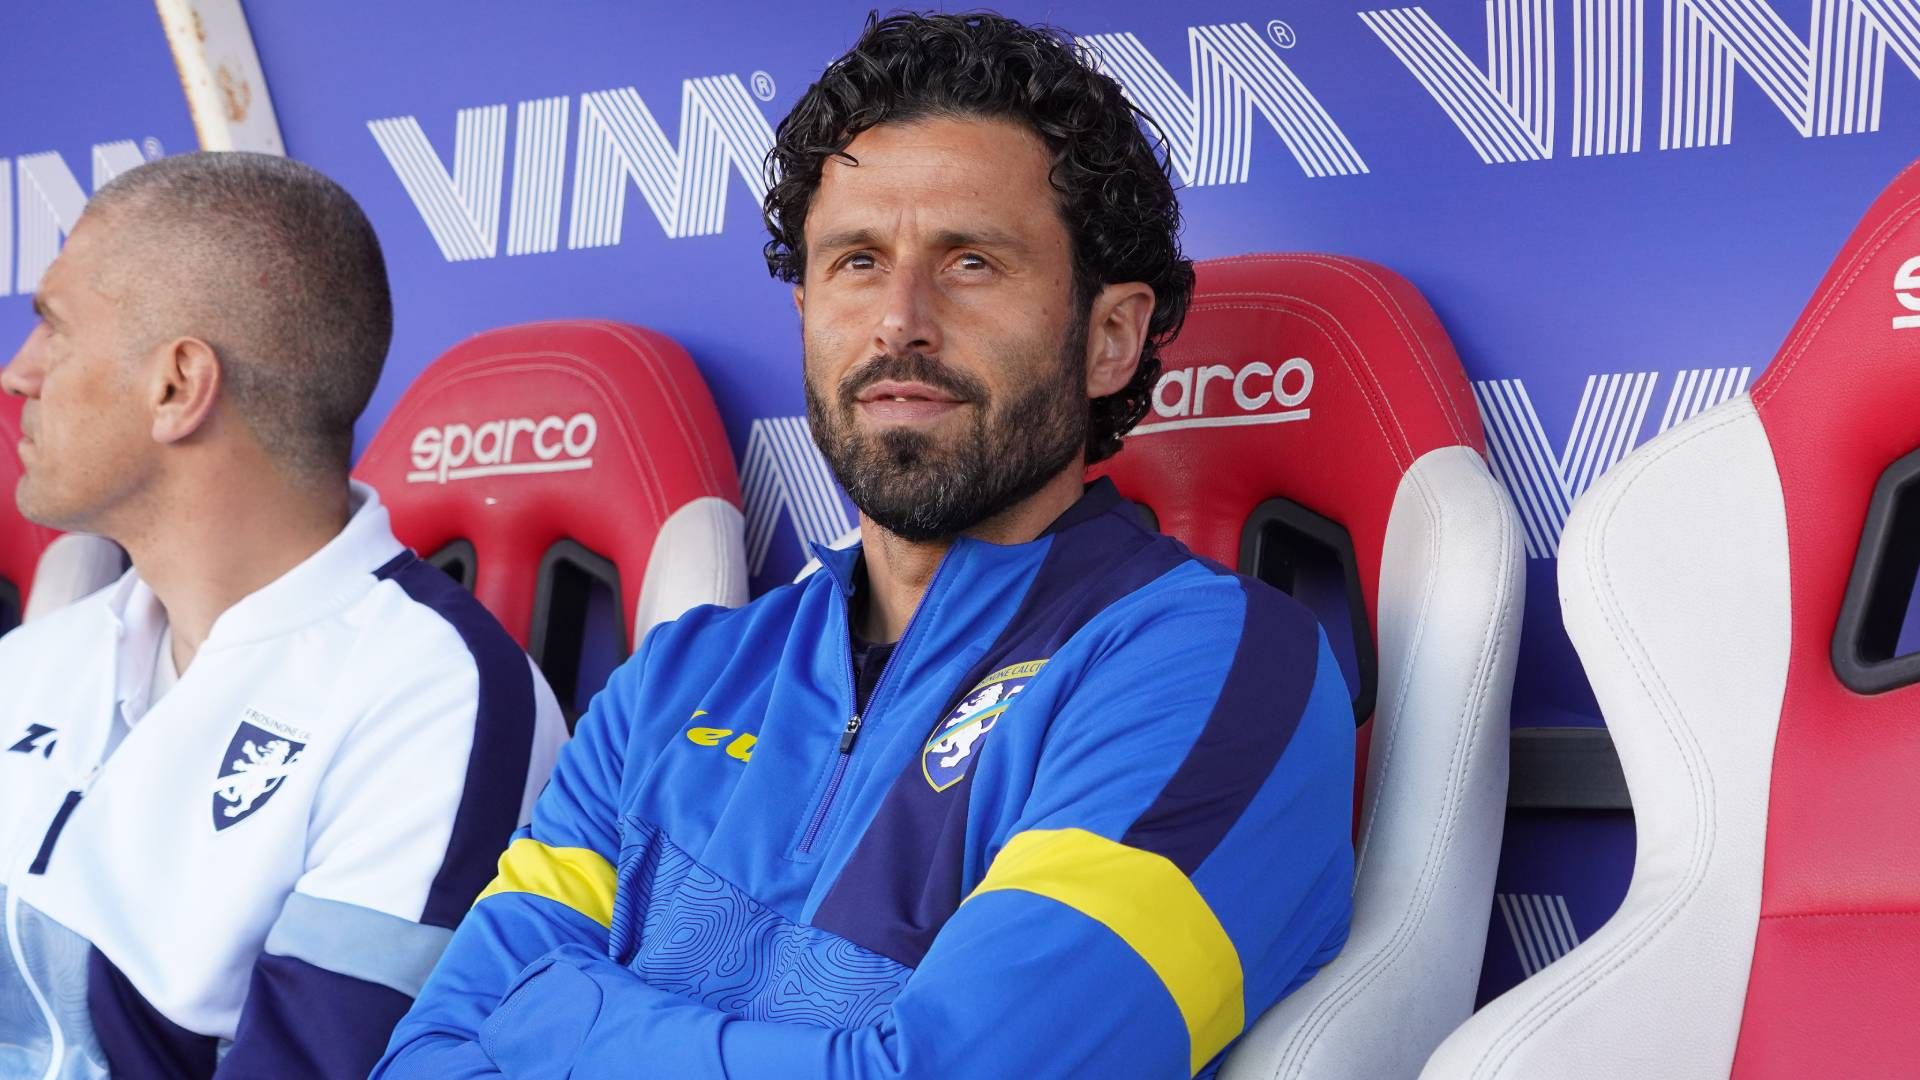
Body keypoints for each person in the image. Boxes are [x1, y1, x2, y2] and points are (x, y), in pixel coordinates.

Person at [378, 12, 1353, 1079]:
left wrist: (559, 1022)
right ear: (806, 310)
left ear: (1109, 336)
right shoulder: (676, 681)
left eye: (971, 261)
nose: (899, 321)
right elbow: (428, 1055)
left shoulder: (1213, 667)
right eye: (856, 262)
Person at [0, 152, 567, 1078]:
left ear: (178, 386)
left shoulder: (436, 697)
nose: (19, 373)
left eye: (53, 328)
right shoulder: (34, 661)